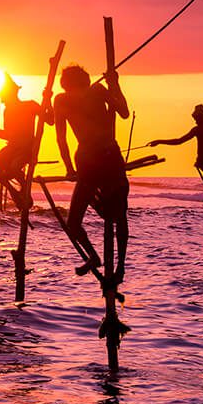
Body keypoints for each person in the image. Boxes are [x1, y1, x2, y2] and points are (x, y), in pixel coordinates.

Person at [52, 62, 129, 277]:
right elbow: (124, 112)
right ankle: (107, 262)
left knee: (76, 222)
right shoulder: (92, 92)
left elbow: (61, 138)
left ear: (65, 84)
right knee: (117, 217)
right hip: (98, 160)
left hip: (99, 160)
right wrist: (115, 85)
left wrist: (114, 85)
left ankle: (114, 264)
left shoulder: (68, 98)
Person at [0, 74, 43, 212]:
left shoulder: (30, 105)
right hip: (12, 147)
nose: (2, 101)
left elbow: (50, 120)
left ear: (11, 94)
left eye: (3, 96)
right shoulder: (8, 111)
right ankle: (14, 192)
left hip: (27, 148)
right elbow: (6, 134)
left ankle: (24, 187)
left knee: (14, 168)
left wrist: (49, 102)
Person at [148, 105, 203, 202]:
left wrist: (159, 141)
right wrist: (160, 141)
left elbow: (179, 141)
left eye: (196, 118)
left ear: (202, 117)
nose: (195, 121)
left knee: (200, 164)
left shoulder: (199, 129)